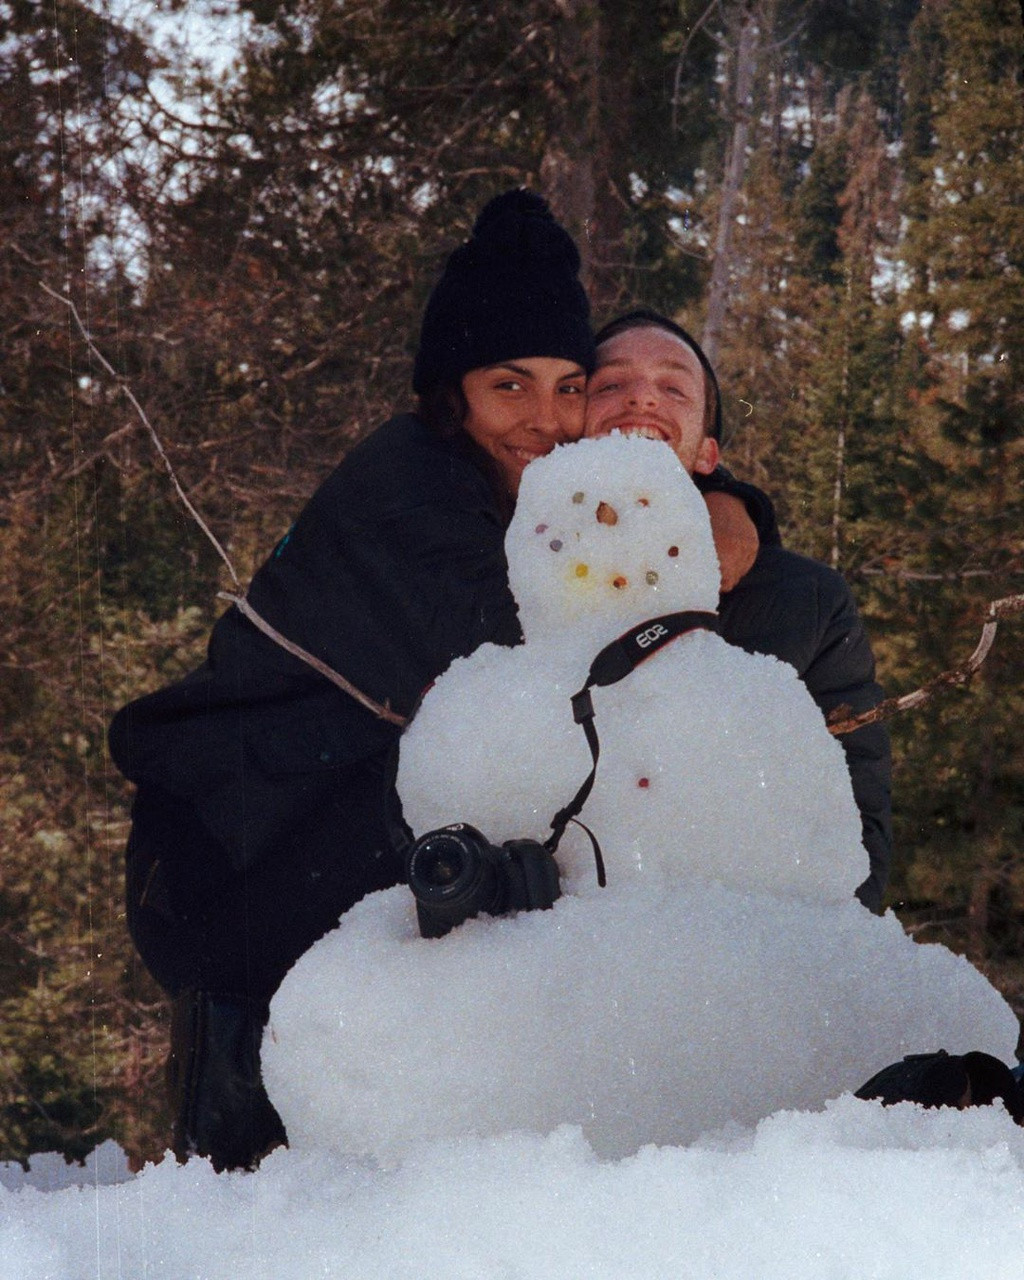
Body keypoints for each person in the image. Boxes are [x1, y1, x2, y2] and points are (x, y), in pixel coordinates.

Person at [108, 192, 772, 1171]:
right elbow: (553, 645)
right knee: (270, 1192)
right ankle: (243, 1169)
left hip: (302, 847)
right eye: (510, 386)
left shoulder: (501, 493)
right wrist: (721, 520)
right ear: (451, 392)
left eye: (566, 386)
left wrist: (726, 505)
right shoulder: (411, 494)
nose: (544, 421)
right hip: (227, 876)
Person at [584, 309, 892, 911]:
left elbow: (859, 838)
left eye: (673, 387)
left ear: (707, 453)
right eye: (610, 384)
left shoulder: (807, 604)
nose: (642, 397)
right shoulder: (502, 568)